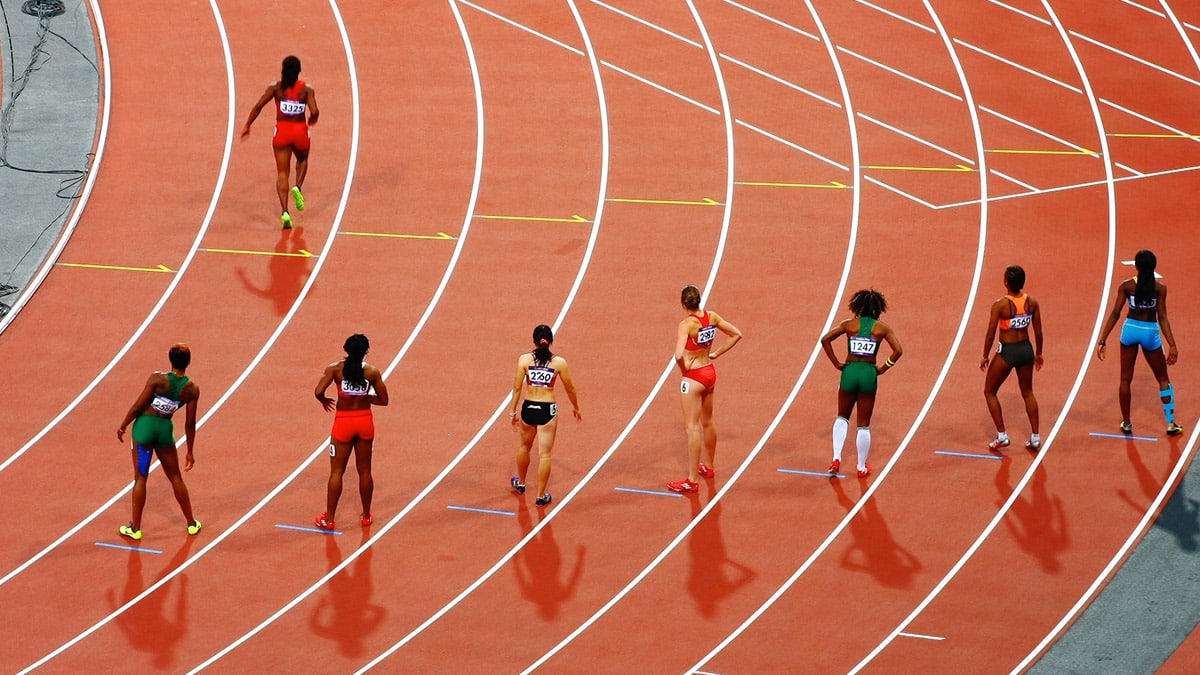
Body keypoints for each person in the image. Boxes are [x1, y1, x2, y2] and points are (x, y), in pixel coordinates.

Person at [116, 344, 202, 540]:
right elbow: (190, 423)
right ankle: (191, 524)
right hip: (164, 433)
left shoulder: (157, 379)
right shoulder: (192, 389)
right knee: (176, 478)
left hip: (144, 430)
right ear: (188, 362)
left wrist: (123, 425)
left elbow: (138, 406)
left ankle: (135, 529)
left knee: (140, 478)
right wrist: (190, 451)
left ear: (170, 359)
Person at [1096, 250, 1184, 436]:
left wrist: (1102, 339)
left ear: (1136, 266)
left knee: (1125, 379)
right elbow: (1162, 317)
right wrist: (1172, 345)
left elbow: (1115, 313)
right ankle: (1170, 424)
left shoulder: (1127, 286)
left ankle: (1127, 423)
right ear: (1154, 267)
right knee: (1162, 379)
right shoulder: (1160, 288)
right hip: (1149, 332)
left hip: (1129, 330)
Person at [820, 289, 902, 478]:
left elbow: (825, 340)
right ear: (878, 309)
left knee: (842, 417)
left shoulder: (849, 325)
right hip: (868, 373)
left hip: (849, 372)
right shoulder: (882, 329)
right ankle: (861, 467)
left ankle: (836, 458)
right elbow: (898, 350)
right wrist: (883, 367)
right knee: (863, 424)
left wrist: (836, 363)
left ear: (857, 307)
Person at [668, 285, 742, 493]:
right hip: (709, 372)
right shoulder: (712, 317)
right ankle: (709, 467)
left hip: (693, 377)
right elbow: (736, 334)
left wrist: (685, 371)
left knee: (692, 427)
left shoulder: (686, 325)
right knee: (708, 422)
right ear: (699, 300)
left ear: (683, 304)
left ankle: (691, 480)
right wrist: (716, 353)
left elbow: (678, 355)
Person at [314, 334, 388, 529]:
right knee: (365, 471)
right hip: (364, 422)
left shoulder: (335, 369)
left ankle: (329, 519)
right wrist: (366, 398)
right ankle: (365, 516)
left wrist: (324, 400)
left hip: (343, 424)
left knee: (336, 472)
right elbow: (384, 400)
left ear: (346, 349)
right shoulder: (372, 372)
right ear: (366, 352)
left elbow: (318, 391)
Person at [241, 55, 319, 230]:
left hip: (282, 132)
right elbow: (314, 111)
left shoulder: (275, 88)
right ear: (299, 71)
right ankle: (298, 186)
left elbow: (258, 106)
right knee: (302, 159)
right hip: (299, 130)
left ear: (283, 70)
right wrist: (313, 119)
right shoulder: (307, 90)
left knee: (282, 173)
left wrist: (247, 125)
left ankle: (285, 212)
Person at [509, 325, 581, 507]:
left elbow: (517, 387)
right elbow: (570, 388)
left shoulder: (524, 360)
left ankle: (522, 484)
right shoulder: (559, 363)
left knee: (524, 447)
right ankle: (541, 496)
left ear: (534, 340)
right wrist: (576, 407)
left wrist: (513, 411)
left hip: (528, 407)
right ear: (550, 341)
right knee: (545, 455)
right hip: (547, 409)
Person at [981, 265, 1044, 451]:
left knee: (989, 391)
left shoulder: (999, 305)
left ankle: (1002, 436)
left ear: (1006, 282)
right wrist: (1039, 353)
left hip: (1007, 352)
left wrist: (985, 355)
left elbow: (990, 334)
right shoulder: (1032, 302)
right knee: (1028, 392)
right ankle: (1035, 438)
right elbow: (1038, 331)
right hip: (1026, 349)